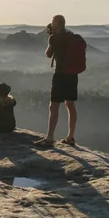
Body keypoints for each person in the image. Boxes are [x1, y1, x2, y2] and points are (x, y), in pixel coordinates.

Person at [35, 14, 78, 148]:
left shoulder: (54, 38)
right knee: (70, 104)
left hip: (60, 75)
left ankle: (49, 138)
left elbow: (48, 54)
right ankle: (70, 137)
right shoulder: (71, 36)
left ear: (57, 24)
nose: (51, 25)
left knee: (54, 106)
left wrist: (50, 38)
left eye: (53, 23)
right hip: (72, 74)